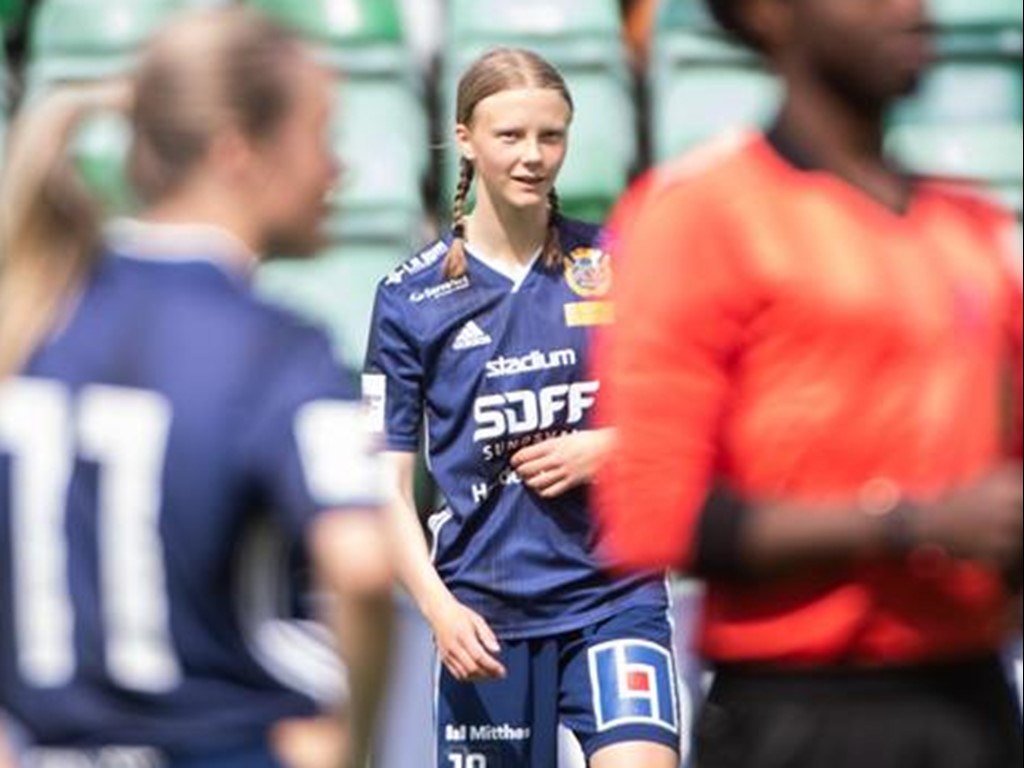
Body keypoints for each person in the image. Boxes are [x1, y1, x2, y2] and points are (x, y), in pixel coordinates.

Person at [595, 0, 1023, 766]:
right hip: (797, 717)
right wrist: (910, 523)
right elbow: (659, 518)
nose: (911, 7)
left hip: (974, 707)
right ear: (768, 16)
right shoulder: (698, 218)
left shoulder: (979, 229)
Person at [0, 8, 393, 768]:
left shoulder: (35, 324)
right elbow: (363, 563)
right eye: (319, 135)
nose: (335, 168)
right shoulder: (275, 346)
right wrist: (354, 746)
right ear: (238, 152)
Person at [364, 47, 681, 768]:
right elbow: (385, 487)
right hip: (485, 616)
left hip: (614, 595)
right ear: (466, 139)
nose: (533, 156)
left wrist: (609, 447)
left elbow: (687, 415)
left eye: (551, 135)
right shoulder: (409, 298)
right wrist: (439, 611)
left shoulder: (620, 265)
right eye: (511, 136)